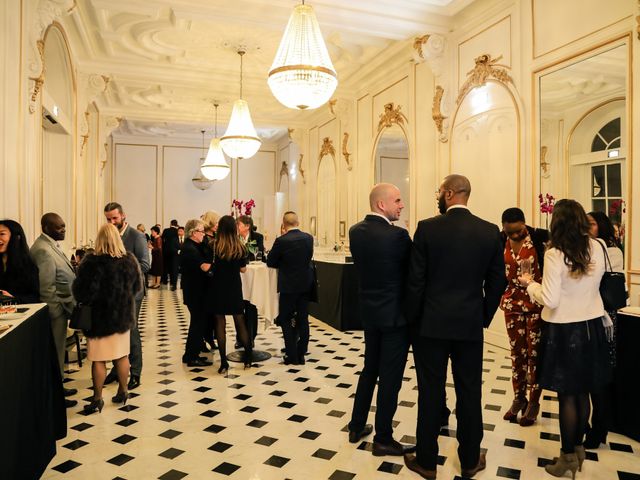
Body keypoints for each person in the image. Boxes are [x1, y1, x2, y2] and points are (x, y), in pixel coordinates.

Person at [404, 175, 506, 479]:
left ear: (449, 194)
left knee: (430, 393)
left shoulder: (427, 228)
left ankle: (426, 460)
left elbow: (416, 281)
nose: (438, 196)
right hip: (469, 326)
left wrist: (413, 320)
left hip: (431, 326)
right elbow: (498, 282)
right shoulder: (489, 232)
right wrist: (482, 316)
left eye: (439, 192)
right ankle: (471, 459)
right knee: (469, 391)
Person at [518, 199, 610, 478]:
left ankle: (568, 455)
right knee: (583, 392)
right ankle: (578, 449)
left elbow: (550, 298)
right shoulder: (598, 246)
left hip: (564, 329)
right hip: (592, 326)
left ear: (556, 222)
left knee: (567, 395)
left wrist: (529, 283)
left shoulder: (556, 253)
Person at [347, 184, 414, 456]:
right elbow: (412, 273)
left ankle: (356, 426)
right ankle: (383, 438)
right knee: (390, 378)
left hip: (370, 314)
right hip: (395, 317)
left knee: (369, 369)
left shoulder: (355, 231)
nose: (401, 205)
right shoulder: (398, 236)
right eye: (397, 201)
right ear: (381, 205)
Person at [73, 224, 143, 414]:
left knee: (98, 360)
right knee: (122, 356)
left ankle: (97, 399)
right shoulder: (129, 260)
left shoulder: (90, 263)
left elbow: (80, 292)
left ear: (99, 240)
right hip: (121, 318)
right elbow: (137, 287)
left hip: (99, 320)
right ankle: (123, 390)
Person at [499, 207, 548, 426]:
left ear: (525, 224)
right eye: (510, 232)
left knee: (534, 354)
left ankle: (534, 403)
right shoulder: (501, 240)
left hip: (536, 302)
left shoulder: (539, 237)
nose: (515, 236)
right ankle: (519, 398)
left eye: (519, 231)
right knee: (516, 353)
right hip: (512, 303)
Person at [584, 210, 624, 449]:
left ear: (602, 226)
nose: (588, 228)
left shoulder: (612, 251)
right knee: (589, 374)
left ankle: (599, 427)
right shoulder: (588, 249)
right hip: (590, 314)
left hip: (605, 316)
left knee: (600, 375)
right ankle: (591, 427)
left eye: (592, 224)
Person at [30, 213, 79, 408]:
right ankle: (55, 397)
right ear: (46, 227)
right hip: (54, 314)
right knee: (55, 354)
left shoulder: (50, 245)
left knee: (59, 353)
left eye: (64, 226)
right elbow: (46, 287)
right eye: (59, 228)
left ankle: (58, 389)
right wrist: (57, 311)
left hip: (61, 310)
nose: (64, 230)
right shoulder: (43, 250)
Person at [103, 202, 149, 390]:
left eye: (115, 218)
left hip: (132, 292)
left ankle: (135, 372)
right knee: (115, 332)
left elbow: (145, 265)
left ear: (123, 216)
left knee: (131, 332)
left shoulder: (136, 236)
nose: (112, 222)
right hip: (114, 293)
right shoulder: (108, 235)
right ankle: (116, 370)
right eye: (108, 219)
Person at [267, 211, 314, 366]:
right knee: (303, 319)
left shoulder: (281, 241)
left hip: (288, 286)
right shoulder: (308, 238)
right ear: (298, 222)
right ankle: (301, 353)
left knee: (285, 319)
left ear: (284, 224)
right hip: (305, 284)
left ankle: (291, 354)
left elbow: (271, 262)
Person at [206, 215, 252, 373]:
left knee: (220, 324)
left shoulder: (213, 245)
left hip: (218, 288)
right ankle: (248, 358)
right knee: (240, 322)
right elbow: (243, 269)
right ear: (233, 228)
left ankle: (224, 362)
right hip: (234, 288)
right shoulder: (239, 246)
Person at [180, 219, 214, 367]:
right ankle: (191, 356)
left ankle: (192, 353)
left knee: (199, 322)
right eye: (201, 231)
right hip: (195, 292)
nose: (203, 234)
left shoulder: (195, 245)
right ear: (193, 233)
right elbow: (205, 267)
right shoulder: (189, 248)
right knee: (197, 323)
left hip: (197, 290)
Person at [0, 219, 40, 304]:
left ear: (16, 237)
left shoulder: (28, 265)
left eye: (2, 234)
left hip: (21, 314)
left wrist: (13, 298)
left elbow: (35, 297)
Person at [161, 219, 180, 290]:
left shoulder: (166, 230)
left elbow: (162, 239)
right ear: (176, 224)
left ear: (170, 224)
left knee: (165, 266)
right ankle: (172, 281)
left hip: (166, 251)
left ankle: (165, 281)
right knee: (173, 266)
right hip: (174, 251)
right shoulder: (177, 231)